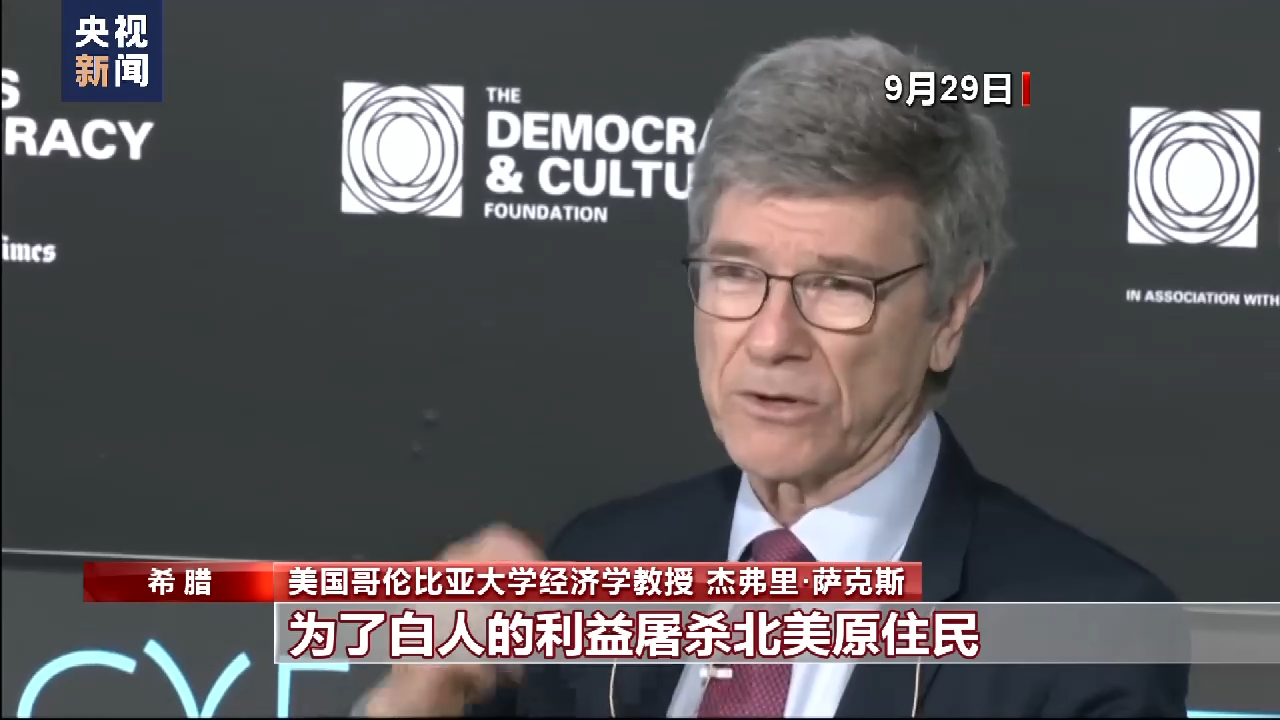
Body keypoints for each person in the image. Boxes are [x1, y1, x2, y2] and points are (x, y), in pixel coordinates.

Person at [360, 33, 1188, 718]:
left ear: (950, 312)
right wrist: (413, 701)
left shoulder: (1088, 641)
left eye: (837, 285)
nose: (770, 339)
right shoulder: (603, 562)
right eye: (734, 273)